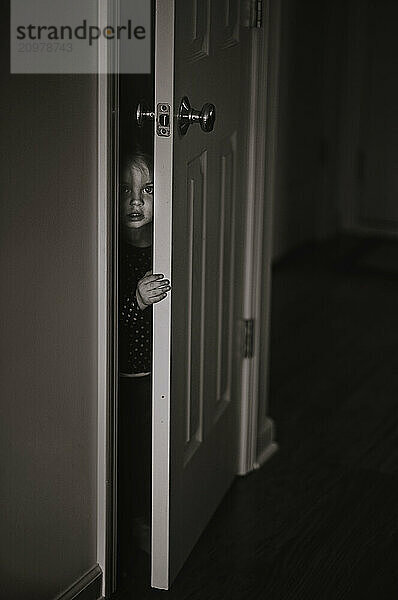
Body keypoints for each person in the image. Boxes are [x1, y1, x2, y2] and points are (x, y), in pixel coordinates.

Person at [117, 150, 171, 567]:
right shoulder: (114, 254)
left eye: (147, 190)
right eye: (126, 191)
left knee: (160, 443)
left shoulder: (164, 249)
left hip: (161, 369)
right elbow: (111, 320)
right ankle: (136, 520)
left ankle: (161, 512)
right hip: (128, 375)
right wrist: (136, 297)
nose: (136, 201)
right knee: (133, 449)